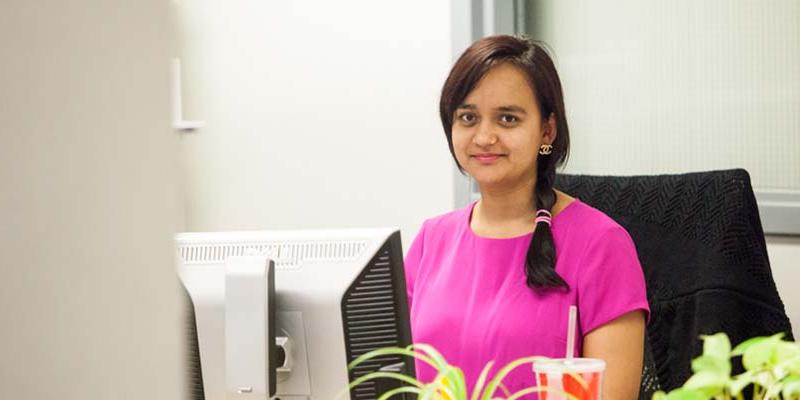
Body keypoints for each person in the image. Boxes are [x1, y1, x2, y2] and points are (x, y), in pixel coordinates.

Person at [404, 35, 649, 399]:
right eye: (468, 117)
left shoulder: (601, 244)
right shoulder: (430, 240)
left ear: (546, 130)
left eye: (507, 118)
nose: (484, 137)